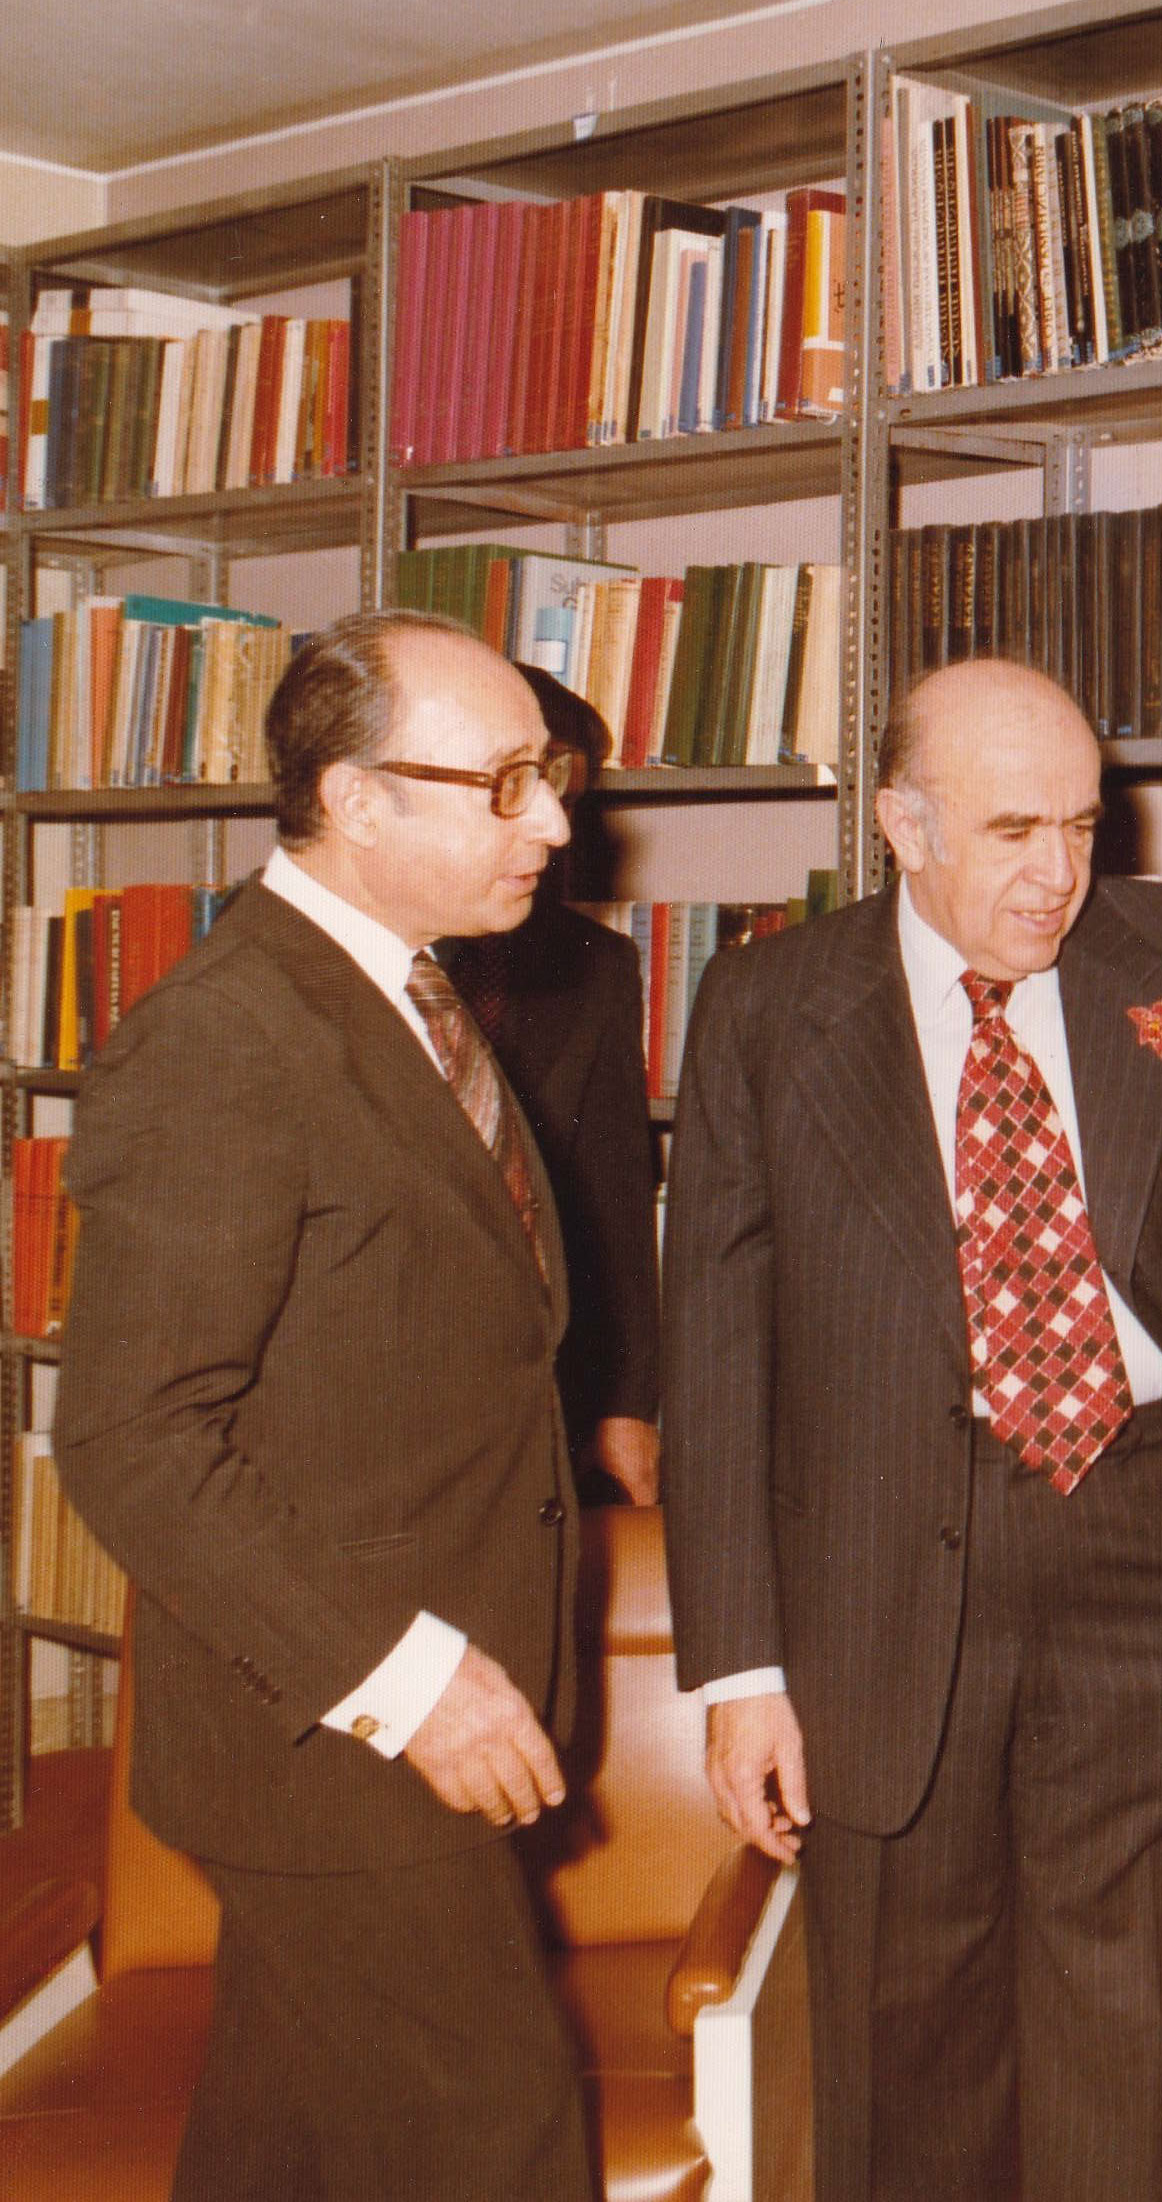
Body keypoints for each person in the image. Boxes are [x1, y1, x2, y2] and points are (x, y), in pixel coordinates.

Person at [660, 655, 1162, 2202]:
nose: (1059, 876)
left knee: (1150, 2049)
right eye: (1014, 830)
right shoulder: (769, 1007)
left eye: (1085, 826)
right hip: (882, 1576)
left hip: (1156, 1543)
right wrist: (743, 1674)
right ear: (903, 826)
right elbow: (717, 1348)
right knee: (908, 2054)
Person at [54, 611, 592, 2202]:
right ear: (356, 801)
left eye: (548, 777)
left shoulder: (400, 996)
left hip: (399, 1722)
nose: (556, 824)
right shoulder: (223, 1043)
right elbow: (134, 1438)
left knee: (282, 2147)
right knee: (497, 2144)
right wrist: (412, 1685)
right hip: (343, 1739)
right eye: (506, 782)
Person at [442, 663, 661, 1506]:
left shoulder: (596, 965)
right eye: (527, 780)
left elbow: (614, 1197)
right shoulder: (365, 955)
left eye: (567, 788)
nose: (552, 822)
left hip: (540, 1391)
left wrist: (626, 1409)